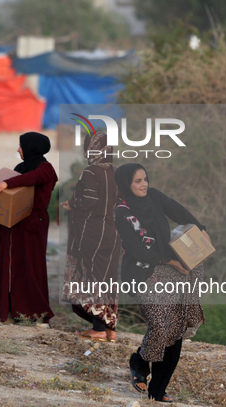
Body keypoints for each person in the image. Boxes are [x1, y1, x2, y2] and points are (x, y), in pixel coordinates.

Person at [114, 163, 211, 403]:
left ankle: (158, 389)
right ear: (127, 184)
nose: (143, 184)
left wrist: (201, 228)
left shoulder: (155, 197)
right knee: (160, 325)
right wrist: (168, 261)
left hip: (172, 270)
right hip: (143, 274)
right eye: (137, 181)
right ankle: (139, 361)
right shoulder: (122, 212)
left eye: (145, 179)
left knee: (175, 328)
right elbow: (136, 250)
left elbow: (179, 212)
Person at [0, 132, 57, 325]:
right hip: (12, 226)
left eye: (21, 146)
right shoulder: (19, 168)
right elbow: (7, 198)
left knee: (31, 267)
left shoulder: (45, 169)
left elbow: (31, 179)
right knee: (10, 267)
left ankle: (40, 315)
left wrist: (7, 183)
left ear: (31, 147)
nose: (18, 149)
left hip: (32, 225)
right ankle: (10, 311)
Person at [61, 132, 121, 342]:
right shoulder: (116, 172)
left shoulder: (90, 172)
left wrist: (72, 205)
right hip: (113, 233)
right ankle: (110, 330)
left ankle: (97, 329)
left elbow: (90, 199)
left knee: (92, 278)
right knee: (107, 279)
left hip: (92, 233)